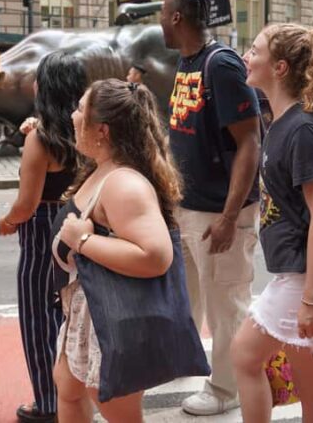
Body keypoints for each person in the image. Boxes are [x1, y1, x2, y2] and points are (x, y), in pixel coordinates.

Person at [53, 79, 202, 422]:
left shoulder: (124, 184)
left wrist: (84, 241)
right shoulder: (103, 168)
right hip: (88, 308)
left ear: (101, 129)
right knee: (68, 387)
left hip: (111, 318)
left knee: (117, 410)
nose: (73, 116)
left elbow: (155, 256)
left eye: (80, 109)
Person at [231, 23, 313, 423]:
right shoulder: (282, 121)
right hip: (298, 274)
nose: (246, 55)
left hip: (305, 278)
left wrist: (312, 299)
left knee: (245, 356)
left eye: (255, 48)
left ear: (279, 68)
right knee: (312, 389)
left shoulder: (303, 128)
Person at [161, 0, 261, 416]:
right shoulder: (187, 63)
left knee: (226, 302)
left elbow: (250, 142)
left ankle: (226, 389)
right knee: (192, 297)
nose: (160, 21)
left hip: (219, 212)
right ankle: (197, 362)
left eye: (162, 13)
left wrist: (228, 216)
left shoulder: (220, 65)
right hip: (189, 208)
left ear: (177, 18)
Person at [0, 52, 87, 423]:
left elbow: (26, 203)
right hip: (81, 225)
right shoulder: (88, 128)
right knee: (76, 318)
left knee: (39, 321)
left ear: (46, 87)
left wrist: (7, 221)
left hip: (41, 231)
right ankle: (80, 394)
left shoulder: (42, 138)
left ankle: (49, 403)